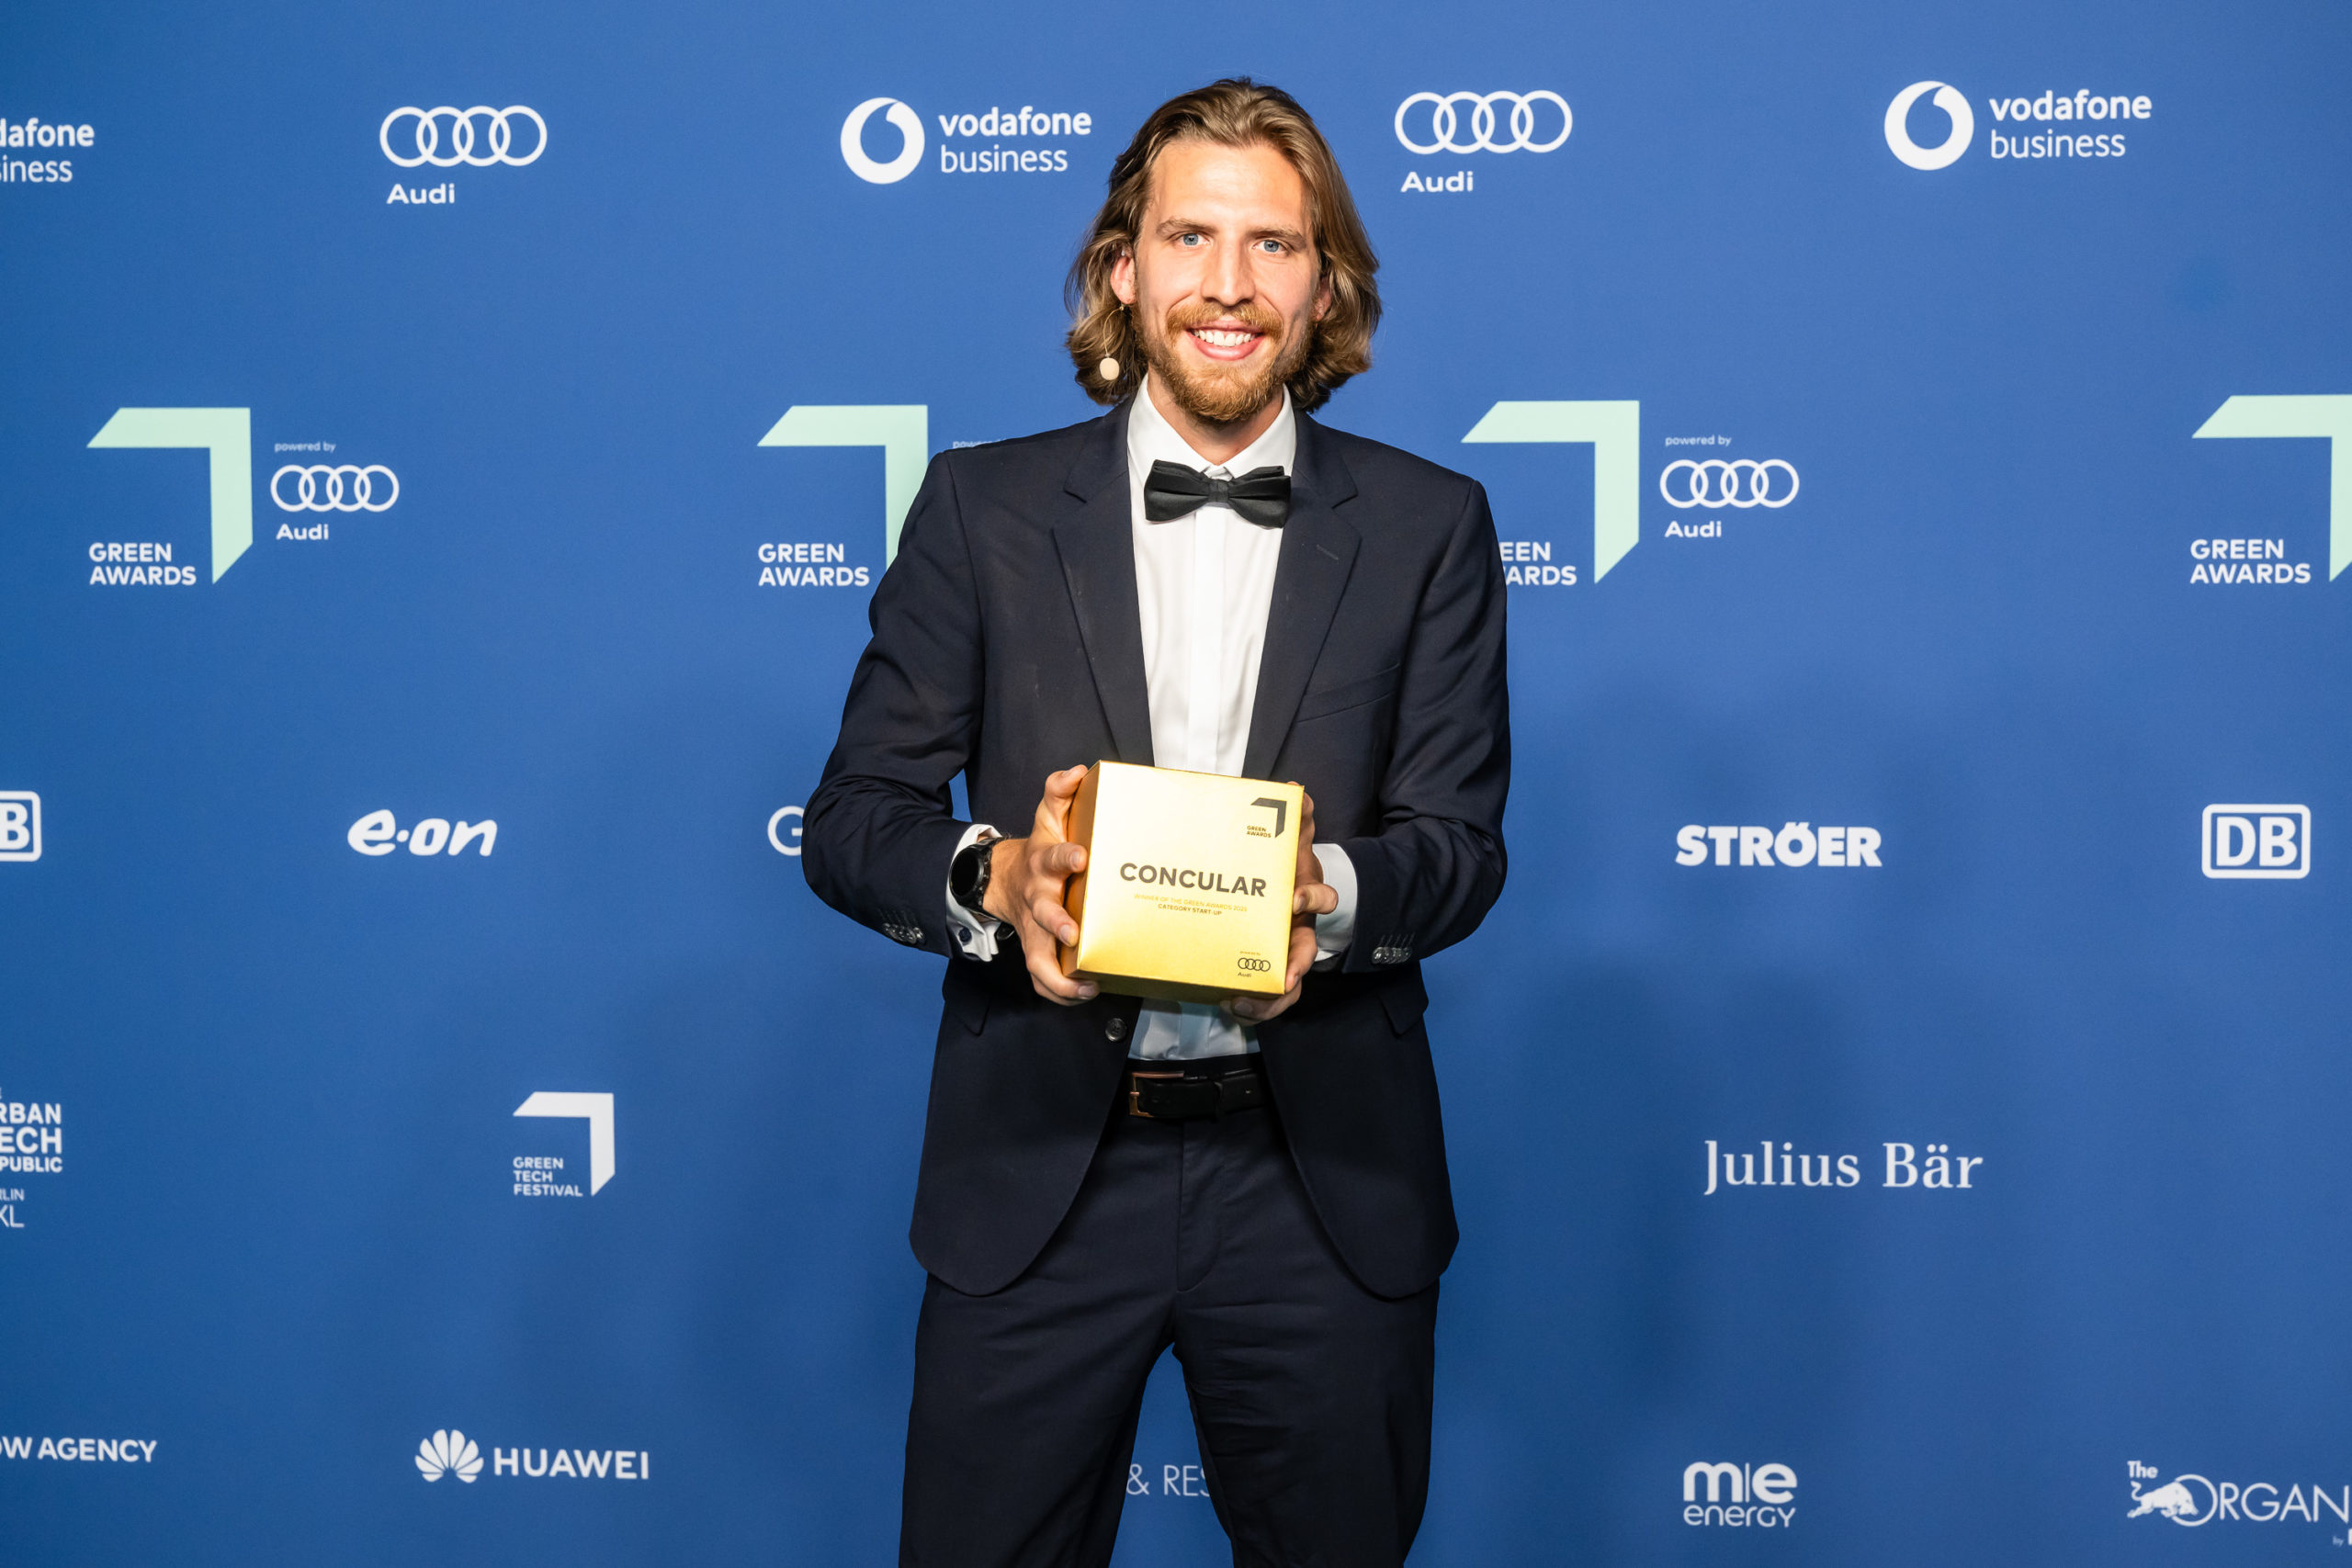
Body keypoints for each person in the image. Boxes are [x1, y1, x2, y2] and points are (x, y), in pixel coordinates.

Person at [803, 77, 1510, 1568]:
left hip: (1322, 1186)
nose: (1229, 285)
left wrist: (1323, 896)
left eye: (1274, 244)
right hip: (1039, 1173)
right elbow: (854, 818)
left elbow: (1460, 850)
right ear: (1123, 268)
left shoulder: (1431, 525)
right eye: (1191, 237)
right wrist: (997, 877)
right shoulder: (980, 511)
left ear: (1327, 287)